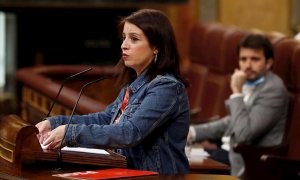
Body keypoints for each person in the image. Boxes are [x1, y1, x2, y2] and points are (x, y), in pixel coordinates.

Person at [36, 9, 190, 174]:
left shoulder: (166, 88)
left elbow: (130, 133)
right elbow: (105, 118)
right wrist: (55, 123)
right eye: (124, 38)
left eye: (134, 39)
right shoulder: (133, 87)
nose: (124, 45)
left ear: (156, 46)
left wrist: (70, 133)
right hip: (126, 173)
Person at [188, 34, 289, 177]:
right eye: (243, 59)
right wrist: (192, 132)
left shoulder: (273, 90)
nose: (247, 65)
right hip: (225, 153)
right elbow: (230, 122)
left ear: (269, 63)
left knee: (177, 162)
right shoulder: (252, 84)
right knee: (172, 154)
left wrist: (236, 93)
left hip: (246, 162)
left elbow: (243, 135)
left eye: (255, 59)